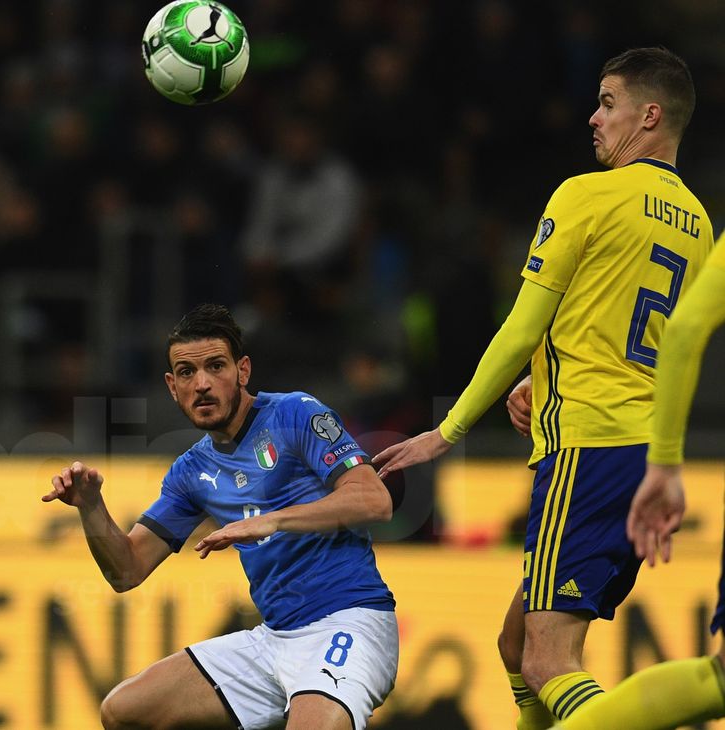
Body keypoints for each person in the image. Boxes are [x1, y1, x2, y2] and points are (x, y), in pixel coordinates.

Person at [371, 47, 713, 729]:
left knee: (548, 661)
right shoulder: (702, 224)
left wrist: (448, 430)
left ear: (649, 115)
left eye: (608, 102)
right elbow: (633, 330)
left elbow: (519, 328)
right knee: (514, 641)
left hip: (589, 447)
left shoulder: (585, 194)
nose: (593, 117)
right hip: (644, 454)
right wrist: (546, 371)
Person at [43, 303, 398, 730]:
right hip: (274, 640)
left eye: (216, 367)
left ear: (243, 370)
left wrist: (273, 519)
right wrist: (90, 508)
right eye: (188, 373)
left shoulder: (295, 414)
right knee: (124, 711)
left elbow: (374, 499)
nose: (203, 384)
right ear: (172, 386)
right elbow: (127, 570)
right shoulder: (191, 472)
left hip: (351, 621)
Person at [545, 229, 725, 729]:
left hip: (594, 440)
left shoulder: (587, 196)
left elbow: (686, 328)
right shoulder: (691, 215)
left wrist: (666, 463)